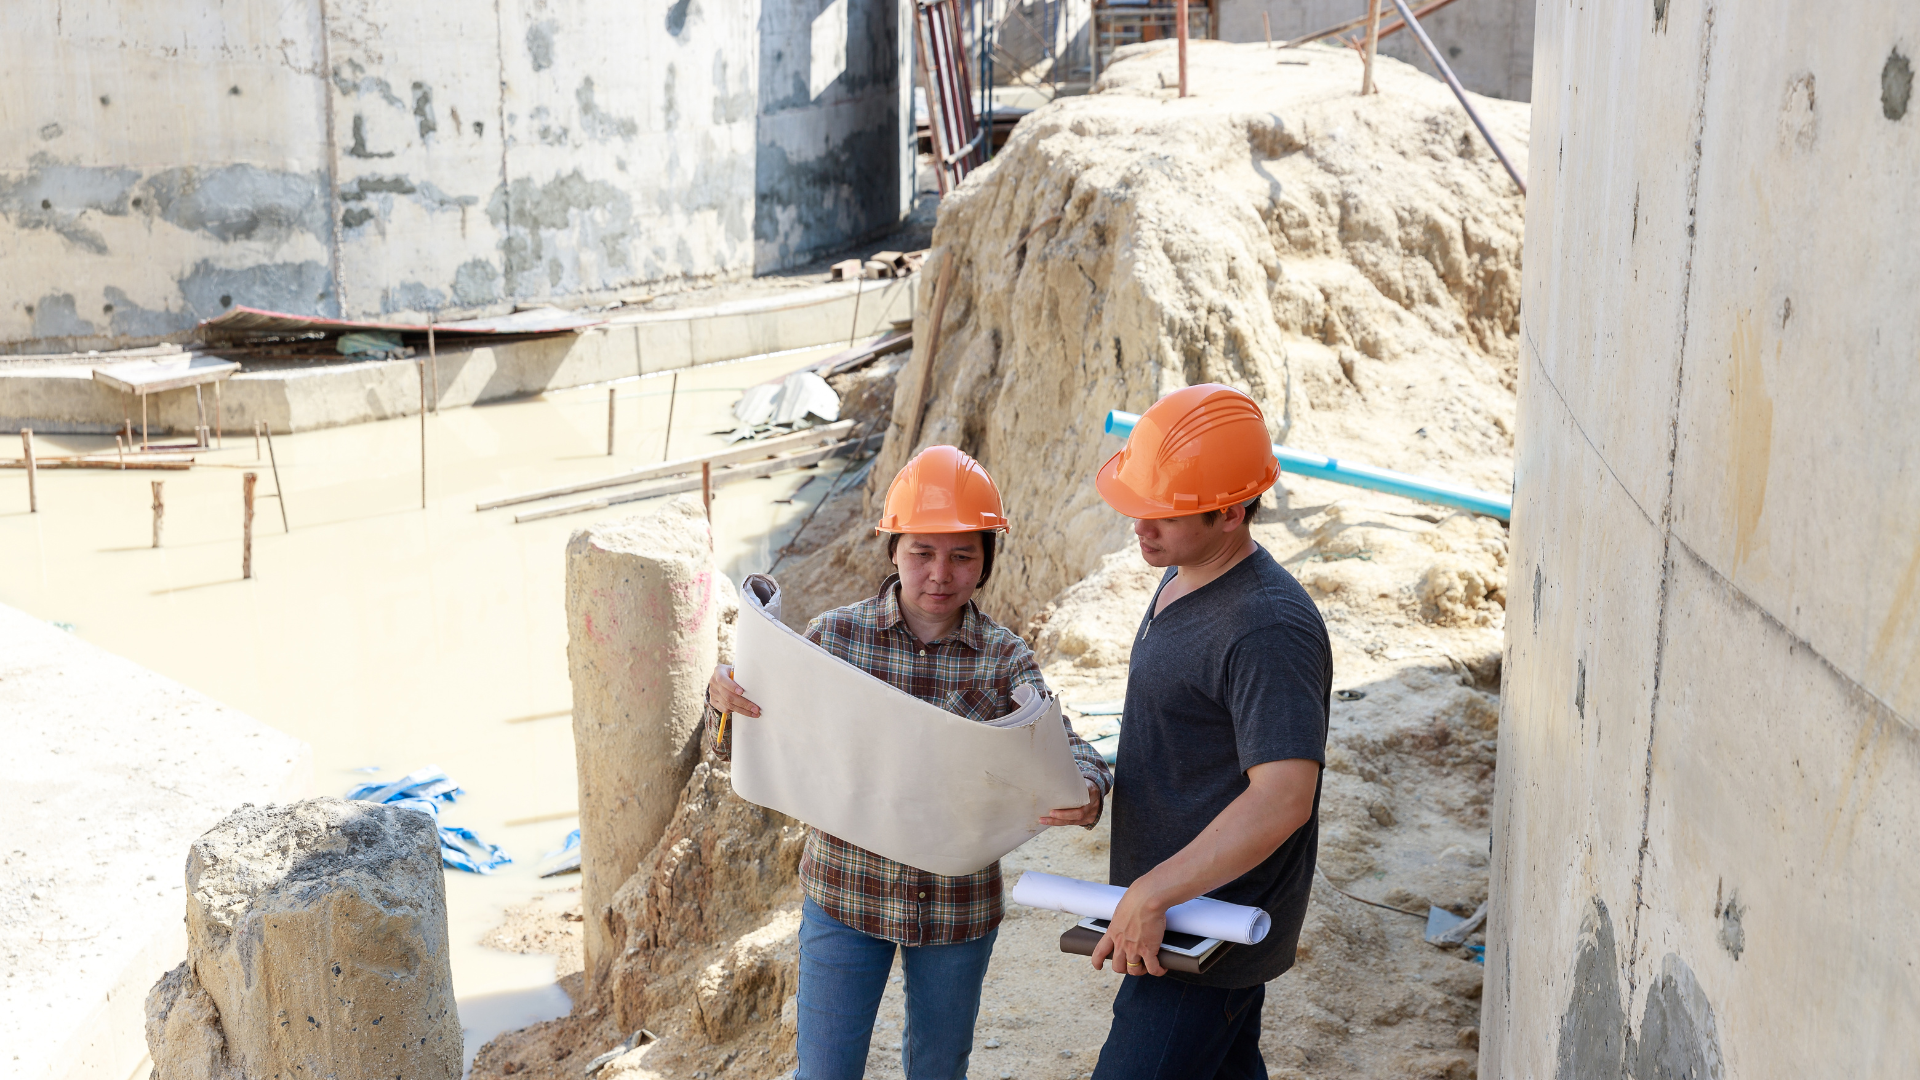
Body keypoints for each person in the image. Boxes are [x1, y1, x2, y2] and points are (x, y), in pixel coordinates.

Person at [703, 444, 1115, 1080]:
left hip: (957, 904)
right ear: (892, 548)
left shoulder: (1003, 658)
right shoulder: (833, 640)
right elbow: (741, 743)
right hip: (845, 893)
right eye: (921, 552)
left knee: (939, 1065)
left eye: (962, 555)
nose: (939, 574)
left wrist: (1088, 784)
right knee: (825, 1069)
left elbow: (1065, 743)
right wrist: (723, 701)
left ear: (985, 562)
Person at [1086, 384, 1332, 1080]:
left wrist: (1155, 892)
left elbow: (1284, 797)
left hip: (1208, 935)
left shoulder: (1265, 627)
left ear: (1230, 512)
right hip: (1180, 916)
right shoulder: (1183, 573)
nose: (1139, 526)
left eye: (1162, 514)